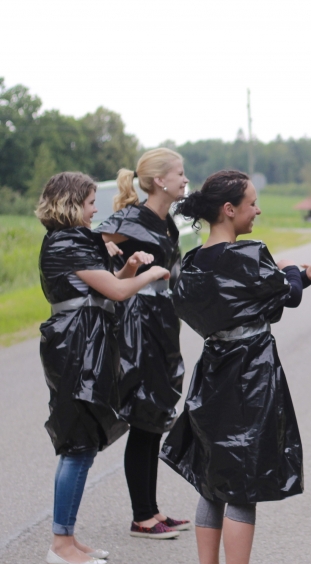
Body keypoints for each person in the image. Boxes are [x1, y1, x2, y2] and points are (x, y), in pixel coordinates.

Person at [160, 170, 311, 564]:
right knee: (243, 478)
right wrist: (296, 273)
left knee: (211, 475)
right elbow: (283, 296)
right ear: (229, 210)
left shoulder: (191, 263)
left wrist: (289, 278)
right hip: (250, 371)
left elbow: (237, 303)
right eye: (252, 203)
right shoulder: (250, 256)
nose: (258, 210)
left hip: (212, 367)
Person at [37, 172, 170, 564]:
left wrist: (129, 265)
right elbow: (113, 293)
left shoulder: (76, 241)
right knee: (78, 447)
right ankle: (61, 544)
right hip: (75, 349)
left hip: (85, 344)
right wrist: (150, 273)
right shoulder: (64, 242)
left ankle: (69, 539)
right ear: (71, 203)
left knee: (84, 444)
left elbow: (104, 285)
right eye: (91, 201)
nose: (96, 209)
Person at [98, 148, 191, 540]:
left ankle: (151, 510)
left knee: (155, 417)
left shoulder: (168, 221)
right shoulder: (131, 218)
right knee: (143, 415)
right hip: (138, 326)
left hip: (164, 323)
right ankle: (142, 516)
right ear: (160, 181)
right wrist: (107, 247)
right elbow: (91, 239)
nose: (186, 179)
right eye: (181, 173)